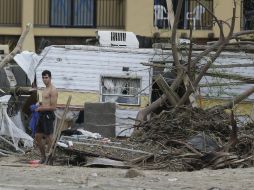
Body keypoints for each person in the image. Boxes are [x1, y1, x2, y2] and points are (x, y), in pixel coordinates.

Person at [35, 70, 58, 164]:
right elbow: (45, 102)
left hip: (48, 115)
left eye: (46, 77)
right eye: (43, 78)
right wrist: (40, 104)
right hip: (42, 114)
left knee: (49, 137)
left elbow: (53, 107)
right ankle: (43, 157)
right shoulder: (45, 89)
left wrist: (41, 108)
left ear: (50, 78)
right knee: (37, 136)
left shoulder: (53, 90)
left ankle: (51, 158)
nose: (45, 79)